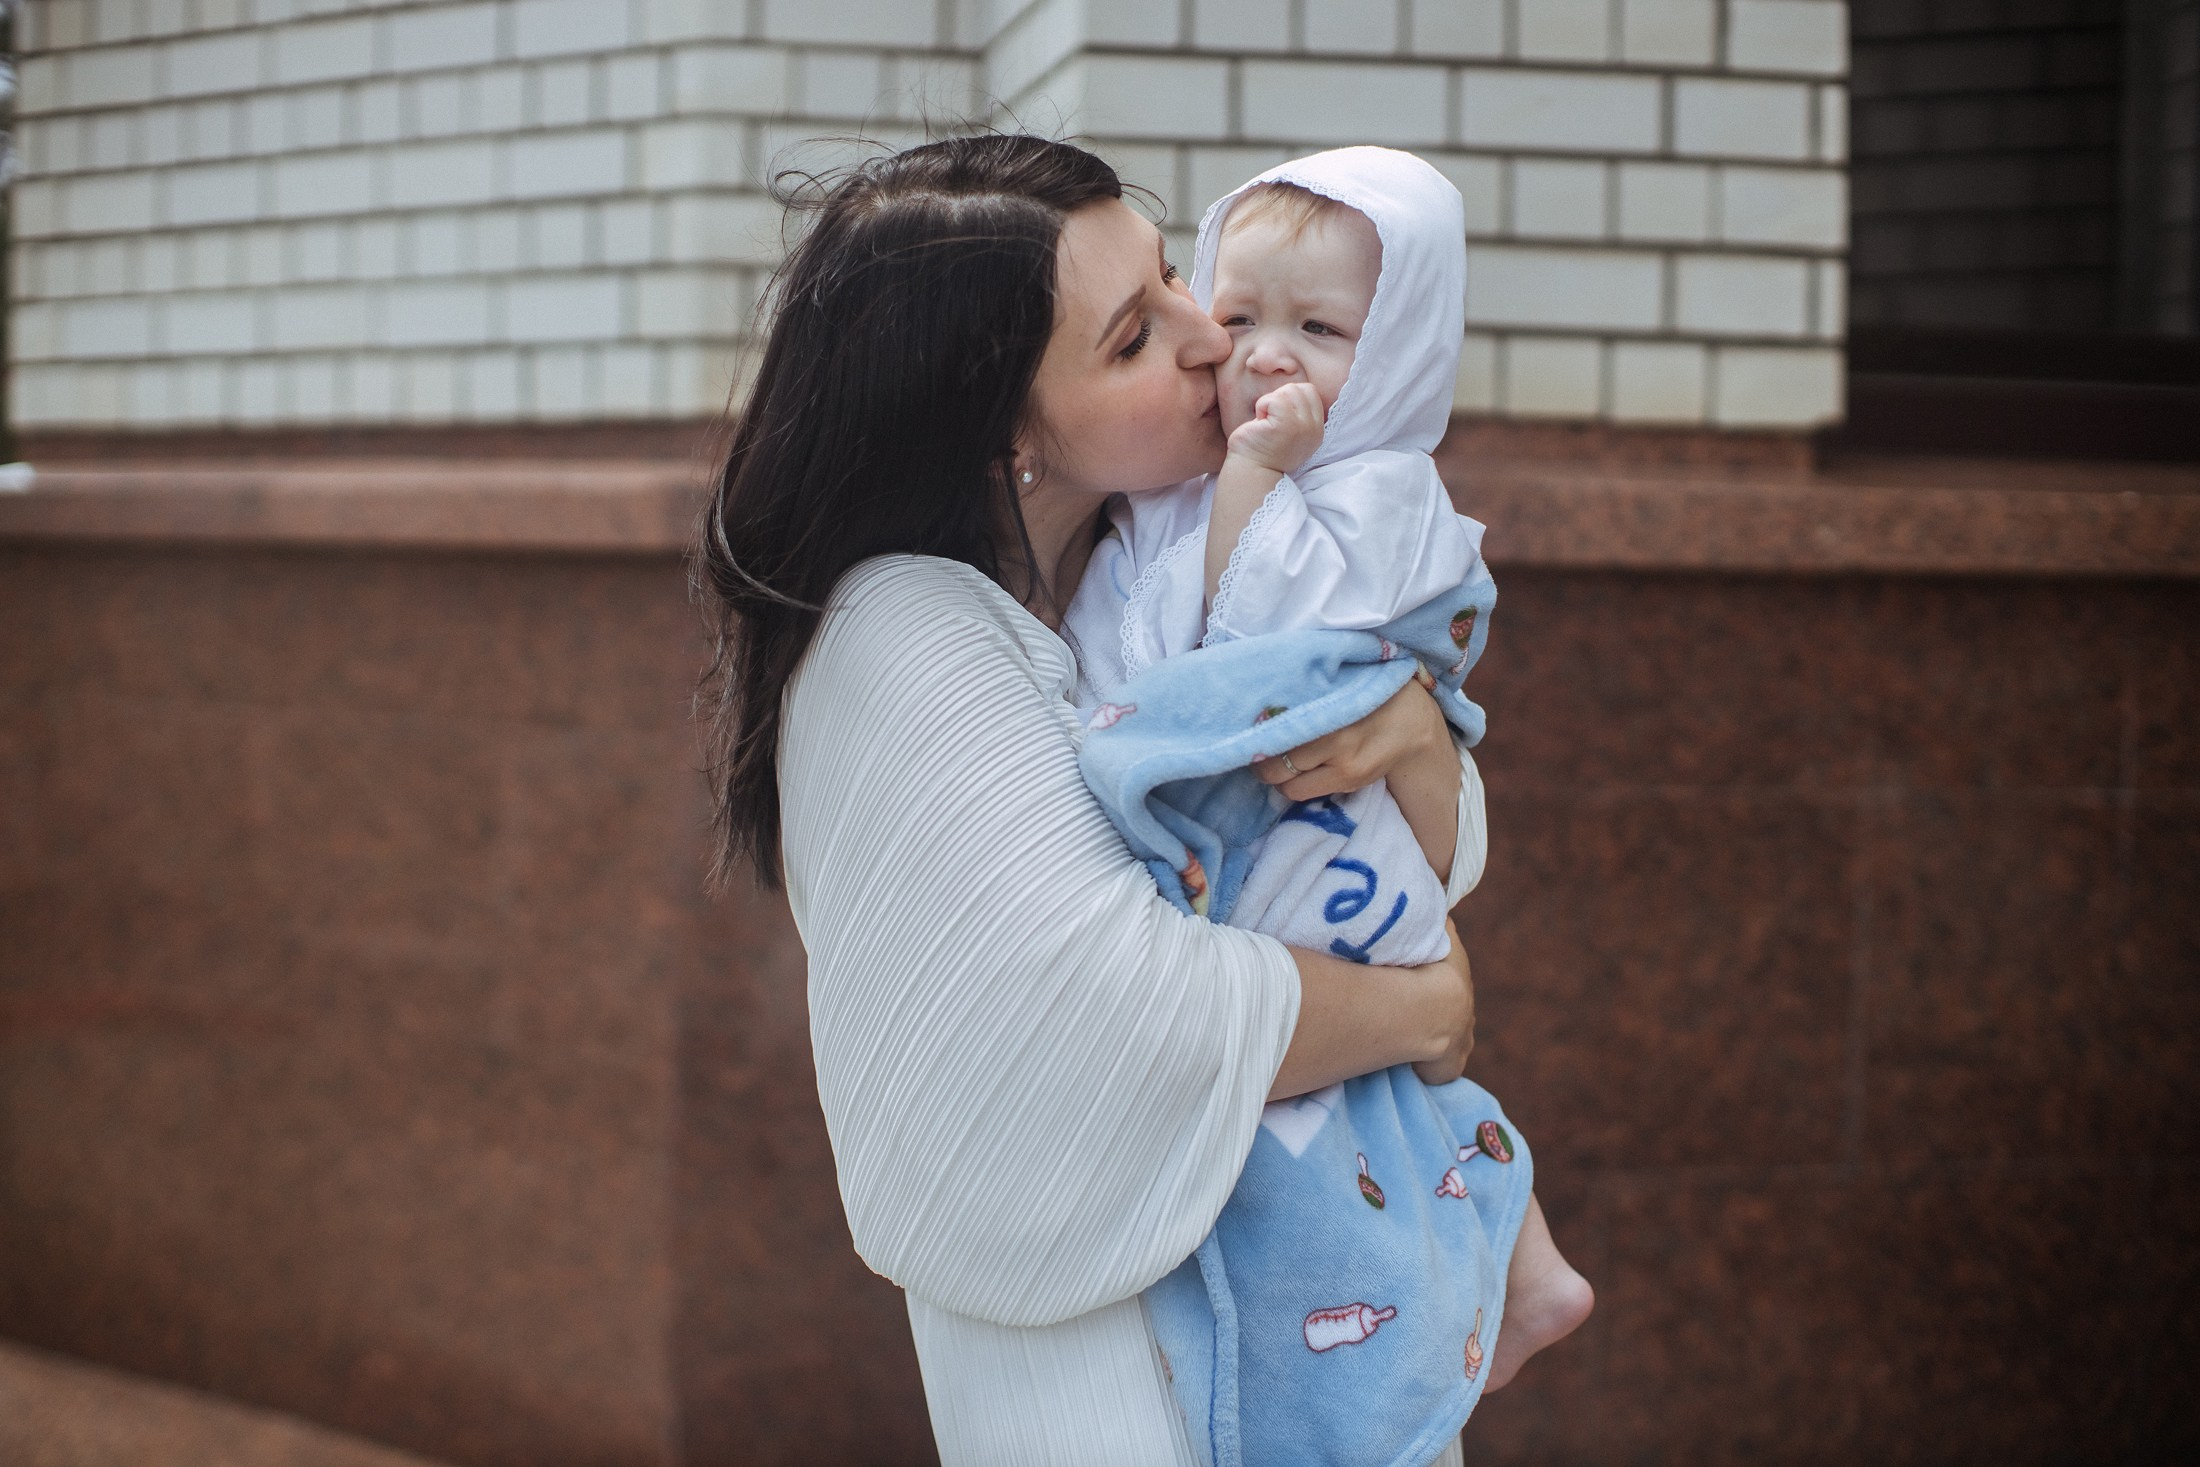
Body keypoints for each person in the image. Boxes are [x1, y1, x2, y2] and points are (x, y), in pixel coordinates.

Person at [694, 134, 1572, 1467]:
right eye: (1131, 338)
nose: (1213, 340)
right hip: (1109, 1346)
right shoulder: (908, 633)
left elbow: (1425, 853)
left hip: (1309, 1269)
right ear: (1008, 430)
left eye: (1173, 279)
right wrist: (1419, 1007)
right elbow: (1095, 1010)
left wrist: (1404, 739)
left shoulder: (1163, 550)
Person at [1060, 147, 1592, 1465]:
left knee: (1372, 1124)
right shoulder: (1167, 497)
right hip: (1263, 891)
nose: (1266, 357)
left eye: (1323, 330)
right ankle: (1510, 1280)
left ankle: (1432, 1343)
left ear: (1402, 352)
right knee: (1386, 1124)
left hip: (1328, 861)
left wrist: (1255, 484)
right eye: (1238, 321)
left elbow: (1279, 645)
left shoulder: (1385, 491)